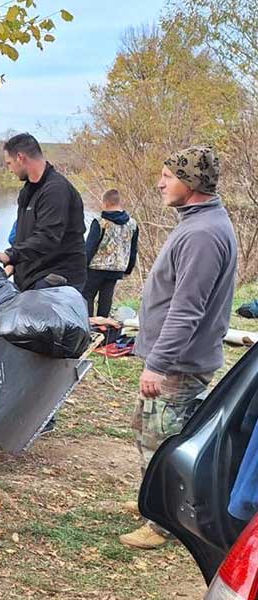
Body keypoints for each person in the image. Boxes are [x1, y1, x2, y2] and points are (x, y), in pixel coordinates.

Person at [120, 146, 237, 549]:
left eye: (168, 176)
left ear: (190, 182)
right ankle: (153, 500)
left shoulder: (204, 233)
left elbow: (187, 311)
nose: (160, 183)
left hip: (178, 365)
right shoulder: (199, 222)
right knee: (148, 430)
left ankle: (164, 523)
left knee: (164, 439)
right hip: (172, 361)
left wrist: (158, 362)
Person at [0, 133, 87, 292]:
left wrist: (11, 255)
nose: (9, 169)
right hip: (32, 277)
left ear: (20, 157)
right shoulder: (29, 190)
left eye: (9, 163)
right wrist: (11, 263)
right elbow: (25, 236)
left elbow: (47, 237)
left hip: (57, 280)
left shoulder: (55, 190)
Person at [82, 189, 139, 317]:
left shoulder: (101, 222)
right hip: (117, 268)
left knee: (87, 295)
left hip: (96, 267)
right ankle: (104, 329)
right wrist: (128, 269)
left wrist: (82, 265)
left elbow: (90, 247)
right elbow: (133, 249)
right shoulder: (133, 224)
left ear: (106, 204)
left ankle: (90, 327)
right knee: (106, 298)